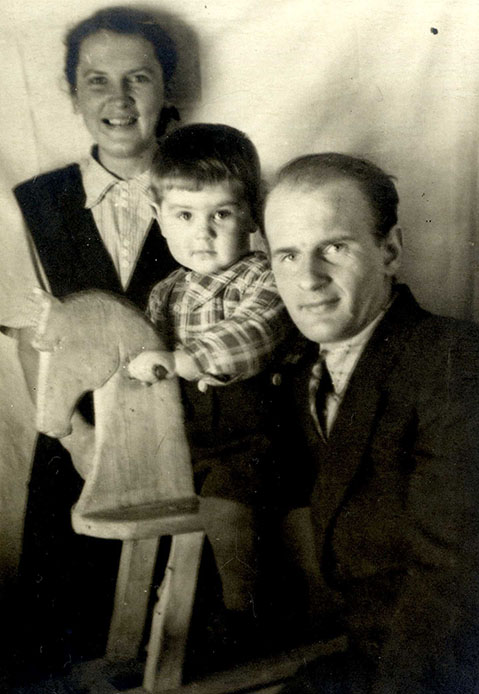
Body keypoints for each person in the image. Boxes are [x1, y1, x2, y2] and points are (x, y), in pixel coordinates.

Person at [264, 153, 479, 693]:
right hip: (371, 658)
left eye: (333, 248)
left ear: (390, 251)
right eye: (288, 255)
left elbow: (456, 590)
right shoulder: (300, 375)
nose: (308, 279)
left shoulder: (459, 362)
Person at [11, 6, 181, 676]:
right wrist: (80, 442)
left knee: (174, 637)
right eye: (97, 81)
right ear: (73, 93)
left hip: (181, 446)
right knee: (69, 641)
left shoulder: (207, 187)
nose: (119, 99)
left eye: (138, 78)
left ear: (166, 86)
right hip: (74, 446)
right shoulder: (34, 202)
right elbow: (31, 344)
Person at [127, 123, 289, 627]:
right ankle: (166, 618)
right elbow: (140, 358)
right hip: (189, 435)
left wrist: (183, 360)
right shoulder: (164, 293)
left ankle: (243, 614)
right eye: (185, 215)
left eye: (222, 213)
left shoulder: (264, 275)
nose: (204, 232)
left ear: (253, 214)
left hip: (252, 435)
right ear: (158, 217)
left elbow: (254, 331)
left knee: (225, 508)